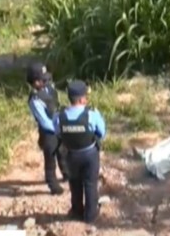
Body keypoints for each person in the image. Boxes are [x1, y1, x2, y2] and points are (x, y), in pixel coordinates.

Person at [53, 80, 106, 223]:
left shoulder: (59, 116)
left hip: (70, 155)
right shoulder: (92, 114)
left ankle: (76, 211)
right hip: (89, 155)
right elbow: (101, 132)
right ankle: (90, 216)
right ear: (82, 99)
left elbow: (57, 132)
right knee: (90, 184)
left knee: (75, 184)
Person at [27, 62, 69, 195]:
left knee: (63, 152)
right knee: (50, 160)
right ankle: (53, 185)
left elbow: (57, 103)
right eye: (43, 79)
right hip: (48, 133)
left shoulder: (50, 88)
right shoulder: (35, 99)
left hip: (58, 126)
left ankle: (67, 173)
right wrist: (57, 128)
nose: (46, 81)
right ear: (35, 83)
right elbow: (43, 121)